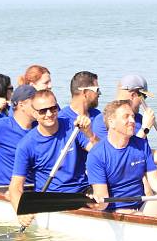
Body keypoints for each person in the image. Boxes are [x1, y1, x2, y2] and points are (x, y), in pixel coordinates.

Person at [87, 100, 157, 219]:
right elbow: (103, 200)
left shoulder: (141, 145)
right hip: (114, 210)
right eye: (126, 117)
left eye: (132, 116)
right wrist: (97, 203)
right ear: (111, 122)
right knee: (136, 215)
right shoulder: (97, 155)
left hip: (141, 205)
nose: (132, 121)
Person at [9, 90, 98, 228]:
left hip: (82, 192)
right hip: (51, 198)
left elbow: (101, 154)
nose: (49, 114)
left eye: (53, 108)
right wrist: (21, 212)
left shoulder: (73, 127)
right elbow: (15, 186)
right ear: (34, 114)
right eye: (43, 111)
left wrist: (89, 133)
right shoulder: (26, 145)